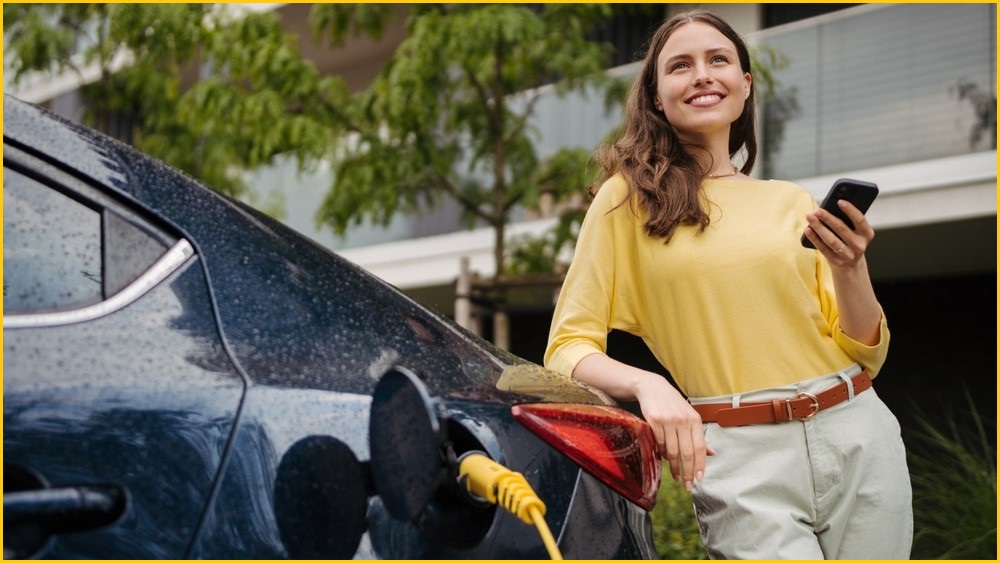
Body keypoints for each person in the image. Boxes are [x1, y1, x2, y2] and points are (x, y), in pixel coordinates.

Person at [544, 10, 912, 560]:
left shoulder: (788, 200)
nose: (702, 75)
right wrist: (652, 387)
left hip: (857, 429)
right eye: (680, 66)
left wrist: (849, 266)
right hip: (739, 456)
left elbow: (865, 350)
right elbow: (566, 349)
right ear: (656, 95)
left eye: (719, 60)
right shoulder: (624, 201)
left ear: (745, 86)